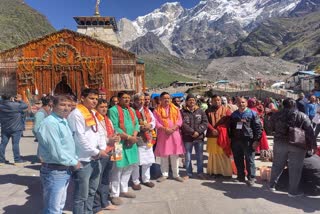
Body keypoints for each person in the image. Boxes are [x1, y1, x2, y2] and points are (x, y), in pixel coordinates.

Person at [67, 88, 108, 214]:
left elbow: (99, 132)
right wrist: (96, 152)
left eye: (96, 98)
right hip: (84, 159)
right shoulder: (77, 114)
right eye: (91, 98)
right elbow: (80, 138)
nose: (94, 101)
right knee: (81, 196)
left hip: (96, 158)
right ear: (82, 98)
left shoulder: (94, 113)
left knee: (92, 192)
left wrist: (102, 148)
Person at [37, 95, 80, 214]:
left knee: (60, 205)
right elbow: (56, 151)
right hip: (54, 170)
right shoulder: (50, 123)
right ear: (53, 105)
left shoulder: (63, 121)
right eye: (62, 105)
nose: (66, 108)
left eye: (69, 105)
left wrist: (73, 158)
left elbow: (68, 145)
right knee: (53, 208)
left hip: (63, 169)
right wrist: (74, 162)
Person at [269, 98, 317, 197]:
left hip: (279, 143)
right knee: (295, 168)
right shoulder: (302, 115)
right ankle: (292, 191)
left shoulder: (276, 115)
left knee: (277, 165)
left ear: (283, 105)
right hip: (297, 144)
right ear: (295, 105)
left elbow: (269, 128)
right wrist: (313, 145)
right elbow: (310, 132)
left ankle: (271, 186)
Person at [108, 91, 139, 205]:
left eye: (128, 98)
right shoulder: (113, 110)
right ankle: (114, 194)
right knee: (117, 168)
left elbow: (136, 124)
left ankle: (124, 189)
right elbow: (114, 127)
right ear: (119, 99)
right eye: (124, 98)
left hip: (132, 142)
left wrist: (134, 136)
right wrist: (128, 137)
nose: (127, 100)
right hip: (118, 144)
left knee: (130, 166)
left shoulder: (131, 110)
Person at [229, 97, 262, 186]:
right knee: (238, 159)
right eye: (239, 103)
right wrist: (230, 139)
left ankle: (251, 178)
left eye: (243, 102)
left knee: (249, 159)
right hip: (236, 141)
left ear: (246, 103)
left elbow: (258, 128)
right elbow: (230, 128)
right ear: (236, 104)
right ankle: (240, 176)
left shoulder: (252, 113)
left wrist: (256, 140)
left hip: (248, 141)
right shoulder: (234, 114)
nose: (241, 104)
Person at [93, 99, 119, 212]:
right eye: (101, 107)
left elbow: (112, 132)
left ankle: (104, 202)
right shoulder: (94, 120)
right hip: (101, 152)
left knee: (105, 178)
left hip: (110, 150)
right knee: (97, 181)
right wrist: (109, 139)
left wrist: (116, 137)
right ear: (96, 108)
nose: (104, 109)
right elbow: (96, 137)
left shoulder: (107, 119)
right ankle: (96, 206)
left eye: (105, 107)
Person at [153, 92, 185, 182]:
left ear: (170, 99)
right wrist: (164, 129)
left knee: (175, 155)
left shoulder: (176, 109)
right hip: (163, 135)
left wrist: (173, 128)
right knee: (164, 155)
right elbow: (155, 122)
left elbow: (179, 121)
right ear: (160, 100)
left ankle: (176, 174)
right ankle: (164, 174)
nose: (167, 100)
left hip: (174, 134)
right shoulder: (156, 110)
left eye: (168, 98)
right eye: (164, 98)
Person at [131, 93, 156, 190]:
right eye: (139, 100)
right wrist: (141, 127)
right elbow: (130, 124)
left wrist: (150, 125)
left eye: (142, 99)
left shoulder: (147, 110)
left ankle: (146, 179)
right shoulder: (132, 111)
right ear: (134, 101)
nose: (141, 102)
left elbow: (153, 121)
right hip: (137, 138)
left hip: (147, 138)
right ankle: (135, 181)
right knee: (136, 162)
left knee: (147, 161)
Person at [181, 94, 208, 179]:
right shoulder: (182, 112)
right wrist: (192, 132)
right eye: (190, 100)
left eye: (193, 100)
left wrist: (198, 131)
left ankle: (200, 172)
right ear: (186, 102)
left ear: (195, 101)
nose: (192, 101)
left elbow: (205, 123)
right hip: (187, 138)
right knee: (188, 157)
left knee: (199, 156)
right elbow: (182, 124)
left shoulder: (200, 111)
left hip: (199, 138)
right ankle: (189, 173)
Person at [206, 95, 233, 177]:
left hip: (223, 136)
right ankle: (215, 172)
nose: (217, 102)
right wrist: (212, 129)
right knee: (213, 155)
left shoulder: (226, 110)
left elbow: (229, 121)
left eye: (218, 100)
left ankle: (226, 173)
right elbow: (205, 121)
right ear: (212, 101)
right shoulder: (208, 111)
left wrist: (219, 129)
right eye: (215, 100)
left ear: (221, 101)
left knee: (223, 154)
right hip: (211, 136)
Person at [0, 94, 28, 165]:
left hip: (5, 128)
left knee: (3, 144)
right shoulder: (16, 105)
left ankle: (1, 160)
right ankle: (17, 160)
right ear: (11, 98)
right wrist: (19, 100)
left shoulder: (1, 106)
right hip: (16, 128)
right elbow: (25, 105)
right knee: (15, 144)